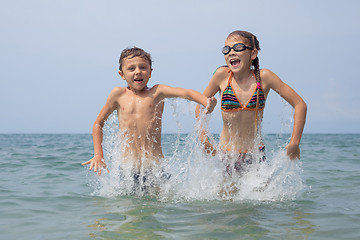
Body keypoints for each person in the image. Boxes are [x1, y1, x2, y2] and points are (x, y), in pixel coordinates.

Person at [82, 47, 216, 176]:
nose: (138, 71)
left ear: (150, 72)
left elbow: (186, 93)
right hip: (128, 169)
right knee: (126, 200)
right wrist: (99, 155)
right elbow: (98, 124)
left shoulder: (158, 92)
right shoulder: (118, 94)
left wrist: (206, 102)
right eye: (131, 68)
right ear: (121, 74)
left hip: (156, 168)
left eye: (143, 67)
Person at [196, 30, 307, 173]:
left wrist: (294, 143)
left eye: (238, 48)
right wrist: (203, 137)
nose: (231, 52)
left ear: (253, 54)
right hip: (226, 155)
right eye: (226, 49)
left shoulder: (265, 77)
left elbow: (299, 104)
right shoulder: (221, 76)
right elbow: (200, 105)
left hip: (255, 156)